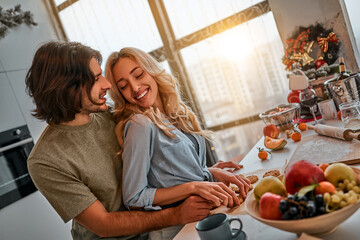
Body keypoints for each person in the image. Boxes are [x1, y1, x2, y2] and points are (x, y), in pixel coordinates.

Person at [25, 41, 216, 240]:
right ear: (68, 88)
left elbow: (158, 165)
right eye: (97, 78)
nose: (108, 85)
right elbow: (103, 224)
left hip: (158, 229)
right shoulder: (45, 161)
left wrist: (208, 173)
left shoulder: (112, 115)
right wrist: (176, 214)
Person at [105, 47, 251, 238]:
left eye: (139, 74)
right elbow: (134, 197)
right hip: (177, 231)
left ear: (151, 70)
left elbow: (170, 173)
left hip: (206, 218)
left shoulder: (176, 112)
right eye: (123, 86)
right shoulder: (140, 124)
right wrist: (195, 186)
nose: (134, 87)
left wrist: (209, 172)